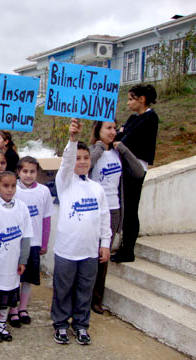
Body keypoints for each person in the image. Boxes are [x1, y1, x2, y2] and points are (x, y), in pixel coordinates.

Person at [51, 119, 111, 345]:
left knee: (85, 290)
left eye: (86, 158)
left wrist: (105, 243)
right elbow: (66, 163)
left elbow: (104, 217)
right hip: (67, 250)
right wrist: (73, 140)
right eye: (78, 158)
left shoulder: (96, 188)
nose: (82, 162)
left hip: (89, 252)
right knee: (63, 289)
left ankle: (81, 324)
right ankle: (60, 324)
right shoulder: (65, 182)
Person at [89, 121, 144, 313]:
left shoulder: (118, 152)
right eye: (108, 128)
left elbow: (138, 172)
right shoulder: (92, 151)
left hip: (113, 210)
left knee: (103, 256)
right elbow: (86, 164)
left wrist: (124, 149)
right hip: (92, 210)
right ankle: (82, 295)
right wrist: (98, 146)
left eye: (115, 128)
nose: (113, 132)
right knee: (89, 253)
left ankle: (97, 298)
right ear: (98, 130)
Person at [0, 171, 32, 342]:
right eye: (5, 186)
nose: (10, 190)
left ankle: (2, 323)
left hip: (12, 261)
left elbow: (26, 236)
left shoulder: (22, 208)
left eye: (13, 186)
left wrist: (23, 260)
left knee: (7, 295)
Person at [112, 84, 158, 263]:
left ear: (142, 99)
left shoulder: (150, 118)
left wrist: (122, 135)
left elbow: (126, 139)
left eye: (131, 99)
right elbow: (119, 136)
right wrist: (121, 134)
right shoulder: (134, 118)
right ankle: (124, 245)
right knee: (125, 207)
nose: (128, 103)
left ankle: (128, 249)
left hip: (136, 167)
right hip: (126, 165)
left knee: (131, 208)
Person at [9, 156, 54, 326]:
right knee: (14, 277)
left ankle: (23, 308)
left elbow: (46, 218)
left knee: (28, 279)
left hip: (34, 243)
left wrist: (44, 242)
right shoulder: (14, 190)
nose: (28, 175)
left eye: (32, 171)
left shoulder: (43, 191)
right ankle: (12, 310)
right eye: (25, 171)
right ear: (18, 172)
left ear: (37, 173)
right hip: (15, 242)